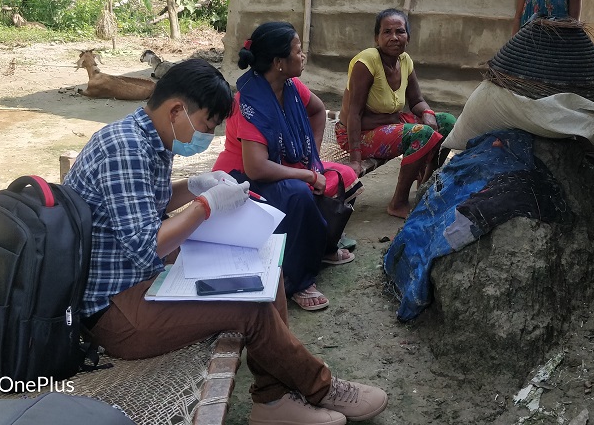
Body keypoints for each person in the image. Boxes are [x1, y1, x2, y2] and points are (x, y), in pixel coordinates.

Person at [64, 59, 387, 425]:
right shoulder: (125, 149)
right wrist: (205, 205)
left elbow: (149, 204)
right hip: (114, 310)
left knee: (265, 267)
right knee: (250, 308)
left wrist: (196, 185)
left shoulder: (149, 138)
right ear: (176, 110)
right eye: (206, 125)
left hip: (138, 277)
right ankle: (319, 387)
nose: (207, 134)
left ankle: (274, 400)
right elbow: (145, 247)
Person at [214, 22, 359, 313]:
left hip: (278, 164)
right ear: (279, 62)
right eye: (298, 50)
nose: (303, 56)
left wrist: (312, 159)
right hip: (241, 179)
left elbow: (317, 111)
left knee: (344, 175)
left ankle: (321, 247)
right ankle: (298, 280)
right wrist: (307, 174)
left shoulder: (290, 86)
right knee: (298, 193)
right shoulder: (250, 103)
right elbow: (256, 168)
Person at [337, 8, 456, 219]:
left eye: (400, 31)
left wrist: (428, 113)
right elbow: (354, 114)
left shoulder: (405, 60)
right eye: (387, 32)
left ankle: (425, 185)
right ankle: (398, 202)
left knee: (447, 121)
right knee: (421, 134)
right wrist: (355, 159)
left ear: (408, 37)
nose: (394, 37)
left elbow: (416, 100)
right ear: (377, 38)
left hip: (390, 123)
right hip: (357, 134)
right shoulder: (367, 62)